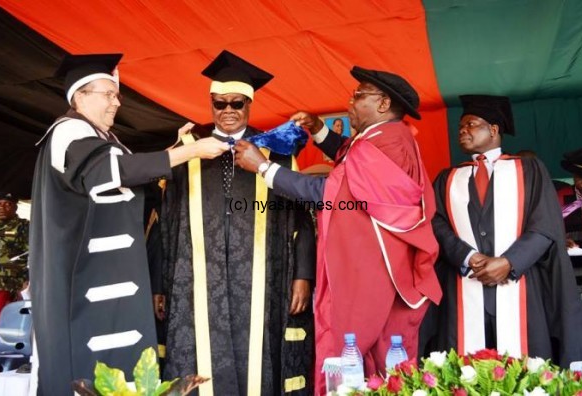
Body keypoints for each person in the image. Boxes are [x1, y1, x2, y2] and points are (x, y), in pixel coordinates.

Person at [29, 53, 228, 395]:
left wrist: (174, 150)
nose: (115, 103)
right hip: (82, 285)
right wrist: (188, 154)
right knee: (88, 371)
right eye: (107, 94)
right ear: (80, 96)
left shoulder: (100, 138)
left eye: (116, 95)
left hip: (108, 280)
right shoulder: (69, 131)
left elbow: (130, 172)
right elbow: (109, 171)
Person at [235, 66, 442, 394]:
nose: (349, 101)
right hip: (377, 268)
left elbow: (331, 191)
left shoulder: (387, 144)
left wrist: (263, 166)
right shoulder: (385, 138)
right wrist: (319, 132)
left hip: (371, 276)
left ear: (383, 103)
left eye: (359, 95)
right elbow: (353, 165)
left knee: (355, 355)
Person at [159, 50, 316, 395]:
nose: (228, 110)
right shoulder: (188, 149)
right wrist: (160, 282)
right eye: (220, 103)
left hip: (264, 275)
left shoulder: (275, 150)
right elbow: (165, 219)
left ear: (249, 104)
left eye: (237, 103)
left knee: (258, 356)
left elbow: (302, 218)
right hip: (197, 278)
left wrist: (303, 275)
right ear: (211, 103)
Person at [421, 95, 582, 367]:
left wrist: (510, 262)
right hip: (463, 286)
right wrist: (467, 257)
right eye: (460, 126)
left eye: (471, 124)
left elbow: (545, 223)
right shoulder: (447, 178)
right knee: (462, 372)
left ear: (493, 130)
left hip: (521, 286)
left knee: (527, 370)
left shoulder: (528, 170)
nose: (462, 130)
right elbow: (435, 223)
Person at [557, 148, 582, 292]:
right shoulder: (559, 198)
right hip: (573, 275)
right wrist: (559, 240)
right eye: (579, 176)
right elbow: (545, 231)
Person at [0, 192, 29, 321]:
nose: (1, 208)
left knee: (3, 320)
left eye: (7, 204)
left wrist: (27, 282)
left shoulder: (24, 227)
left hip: (11, 285)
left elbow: (34, 255)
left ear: (15, 207)